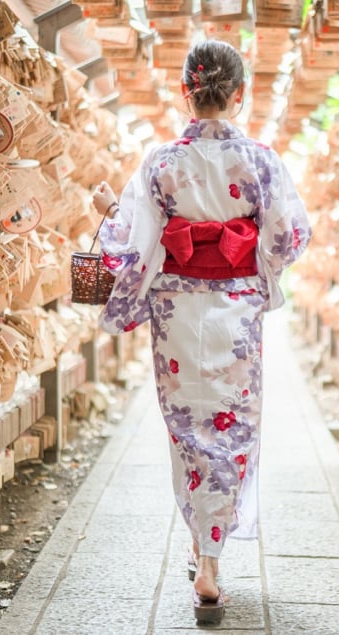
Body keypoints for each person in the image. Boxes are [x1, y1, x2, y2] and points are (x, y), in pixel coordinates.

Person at [91, 40, 311, 624]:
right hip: (236, 310)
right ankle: (210, 560)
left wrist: (107, 216)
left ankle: (202, 552)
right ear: (239, 95)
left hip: (177, 313)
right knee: (233, 425)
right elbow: (289, 237)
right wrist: (251, 255)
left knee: (189, 429)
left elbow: (134, 242)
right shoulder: (261, 161)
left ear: (186, 93)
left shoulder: (161, 162)